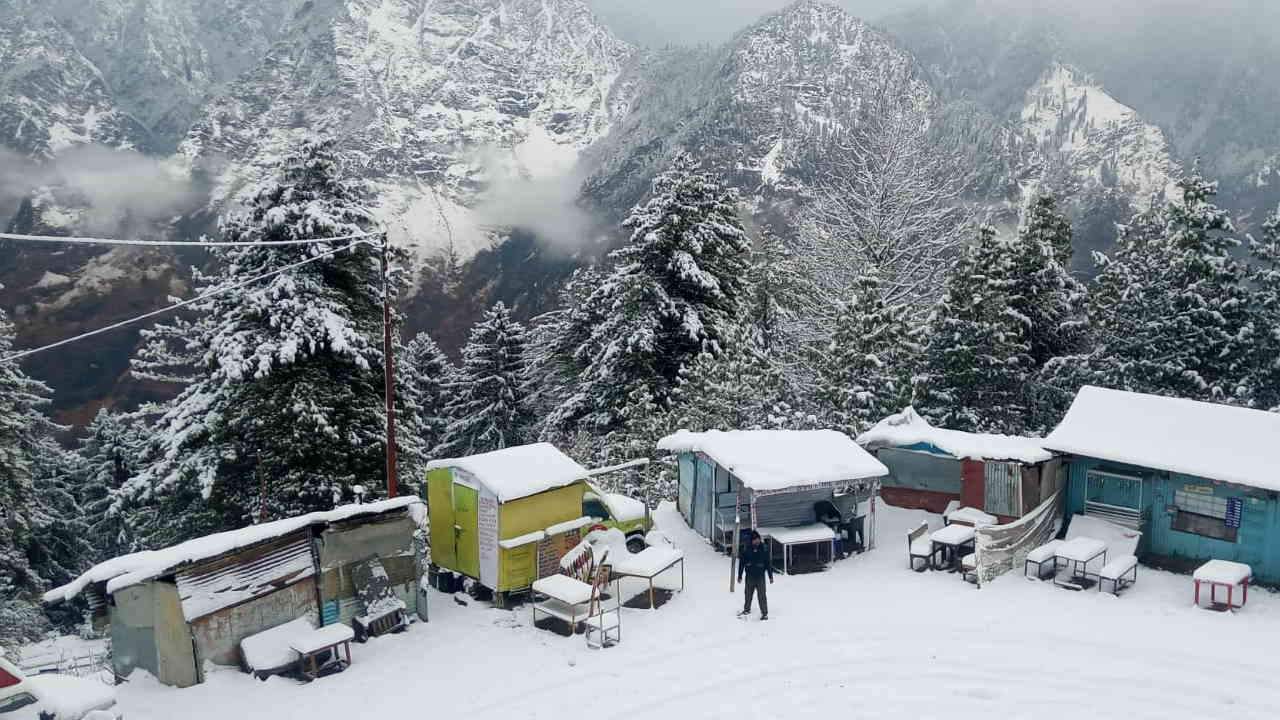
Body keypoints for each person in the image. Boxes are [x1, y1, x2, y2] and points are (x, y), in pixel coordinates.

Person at [737, 530, 774, 619]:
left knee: (762, 595)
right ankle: (747, 609)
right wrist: (740, 576)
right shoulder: (746, 549)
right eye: (755, 540)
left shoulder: (764, 548)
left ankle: (764, 613)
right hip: (749, 576)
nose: (757, 541)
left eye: (758, 539)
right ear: (751, 540)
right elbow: (742, 563)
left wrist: (770, 576)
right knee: (748, 594)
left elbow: (768, 563)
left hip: (760, 576)